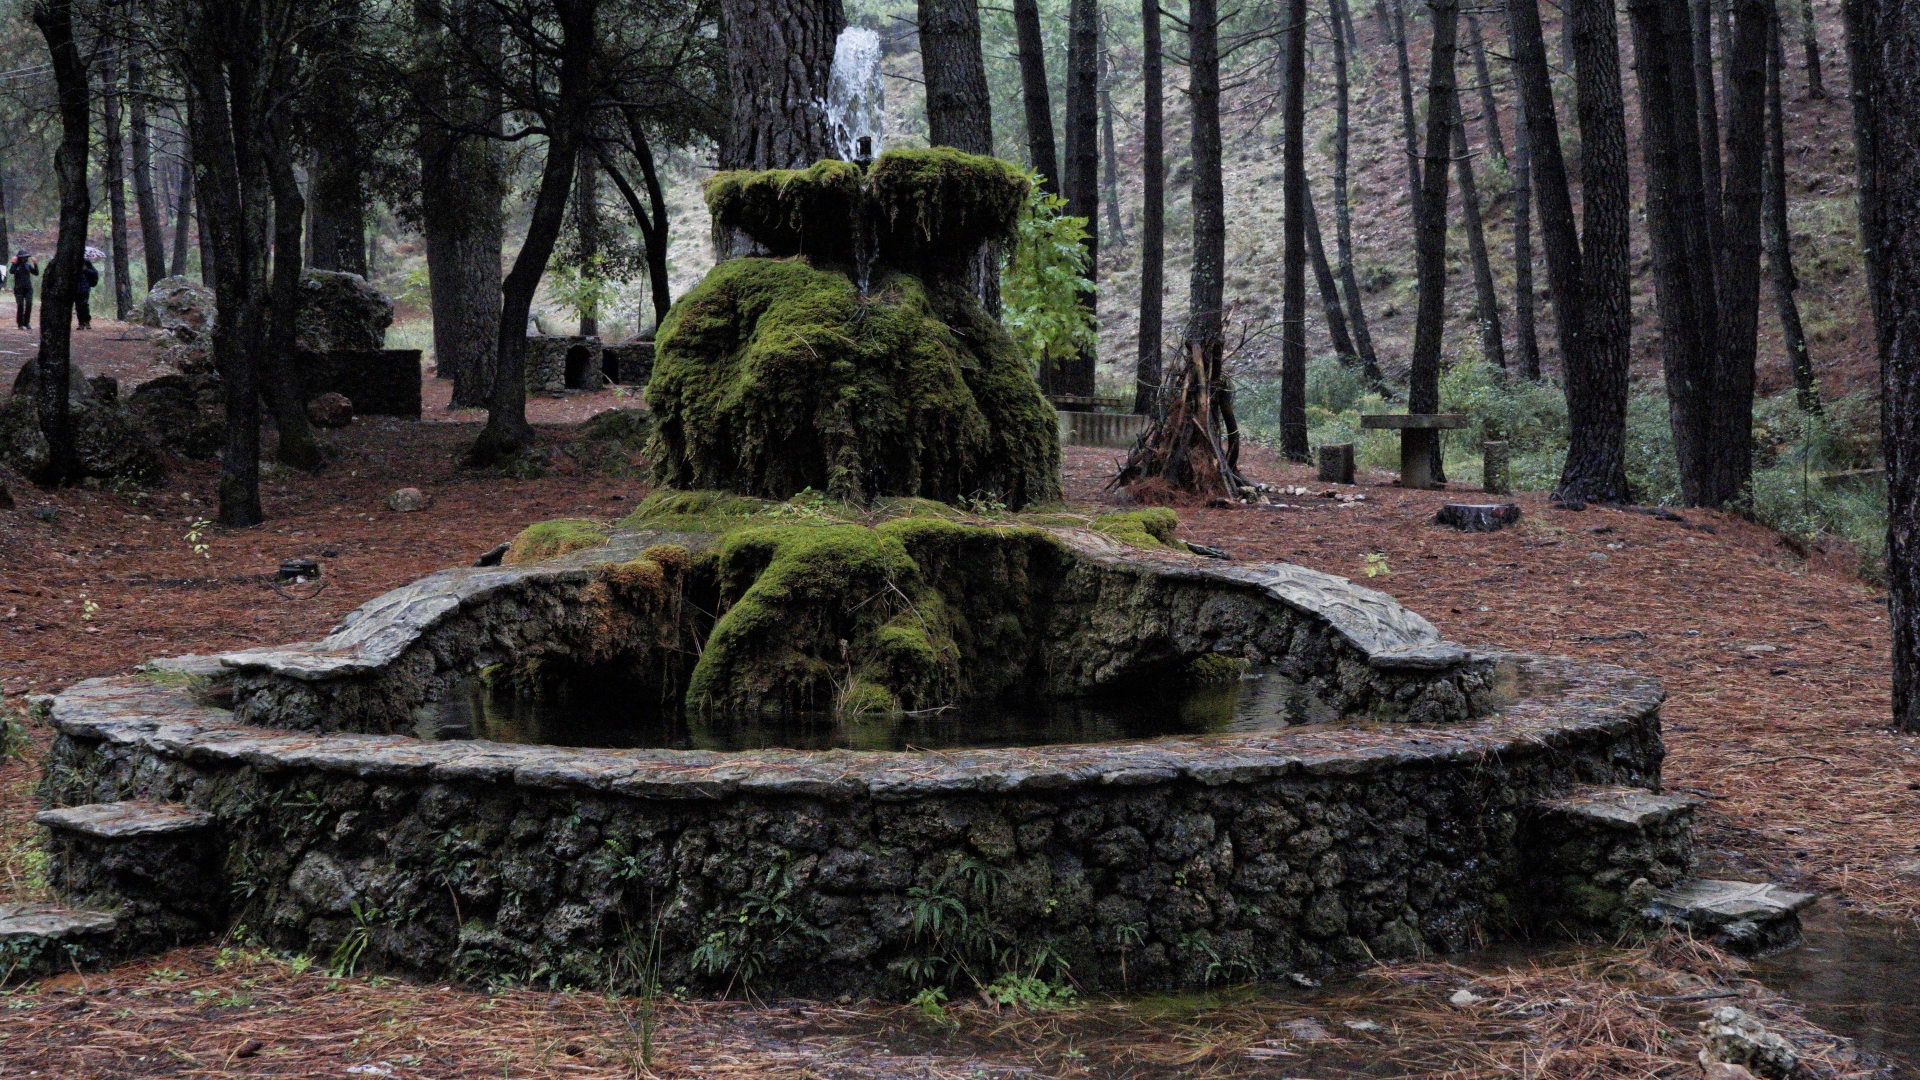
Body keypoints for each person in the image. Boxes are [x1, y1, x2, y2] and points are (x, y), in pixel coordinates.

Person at [8, 250, 35, 329]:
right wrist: (13, 263)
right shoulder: (16, 266)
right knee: (20, 306)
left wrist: (35, 264)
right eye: (23, 257)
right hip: (18, 289)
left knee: (29, 304)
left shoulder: (28, 265)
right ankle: (20, 324)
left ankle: (26, 323)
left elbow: (36, 272)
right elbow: (11, 271)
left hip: (28, 289)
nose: (25, 258)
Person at [75, 255, 98, 330]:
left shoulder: (87, 263)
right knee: (78, 306)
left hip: (85, 289)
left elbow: (94, 273)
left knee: (84, 305)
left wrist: (85, 270)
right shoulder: (72, 263)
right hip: (75, 289)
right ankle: (81, 323)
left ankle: (87, 321)